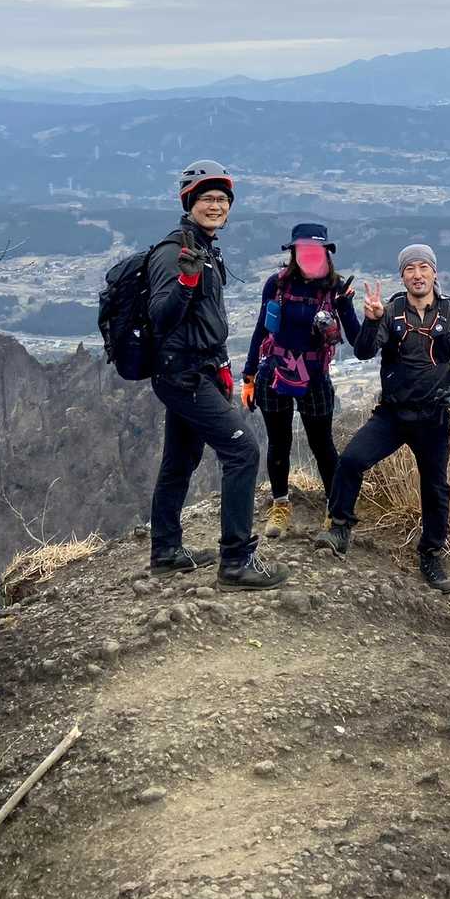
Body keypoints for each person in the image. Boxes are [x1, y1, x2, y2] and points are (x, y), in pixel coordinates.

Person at [146, 159, 287, 590]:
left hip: (199, 371)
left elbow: (206, 320)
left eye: (222, 199)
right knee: (242, 452)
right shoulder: (173, 253)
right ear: (189, 202)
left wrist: (222, 367)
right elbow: (160, 316)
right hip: (182, 375)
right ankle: (236, 561)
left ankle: (166, 552)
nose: (216, 206)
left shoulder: (204, 248)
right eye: (206, 198)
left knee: (180, 460)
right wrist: (185, 284)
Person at [315, 243, 450, 592]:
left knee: (435, 488)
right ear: (402, 276)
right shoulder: (390, 312)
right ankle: (339, 528)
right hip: (392, 414)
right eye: (410, 269)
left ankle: (431, 554)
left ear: (434, 272)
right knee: (351, 461)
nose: (417, 275)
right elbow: (364, 351)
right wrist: (373, 320)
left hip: (433, 418)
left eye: (423, 268)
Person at [241, 222, 360, 538]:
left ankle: (335, 510)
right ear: (294, 252)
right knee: (278, 442)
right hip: (274, 372)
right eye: (304, 250)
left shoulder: (335, 290)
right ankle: (281, 504)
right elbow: (261, 329)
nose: (309, 256)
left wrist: (348, 307)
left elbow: (357, 340)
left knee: (322, 445)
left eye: (315, 250)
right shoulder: (277, 284)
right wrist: (249, 376)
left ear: (325, 253)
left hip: (315, 377)